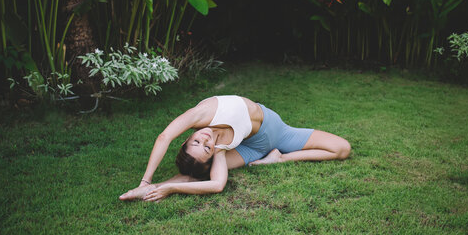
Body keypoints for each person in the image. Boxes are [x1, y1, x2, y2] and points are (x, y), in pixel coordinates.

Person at [119, 95, 351, 202]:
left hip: (279, 132)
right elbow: (217, 185)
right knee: (195, 175)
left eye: (197, 141)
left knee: (342, 148)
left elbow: (164, 136)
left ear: (185, 140)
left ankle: (280, 158)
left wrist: (146, 180)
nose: (206, 139)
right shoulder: (217, 149)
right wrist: (169, 189)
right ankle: (145, 193)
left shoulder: (203, 113)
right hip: (249, 150)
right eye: (206, 147)